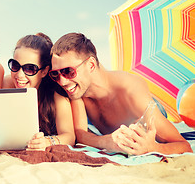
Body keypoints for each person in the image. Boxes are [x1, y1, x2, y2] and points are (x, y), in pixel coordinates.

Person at [49, 32, 192, 155]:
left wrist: (152, 147)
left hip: (145, 110)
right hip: (118, 123)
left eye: (68, 71)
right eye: (55, 74)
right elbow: (80, 134)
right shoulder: (77, 91)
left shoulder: (130, 91)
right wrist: (106, 141)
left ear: (91, 65)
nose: (62, 82)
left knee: (141, 128)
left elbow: (184, 146)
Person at [0, 33, 75, 151]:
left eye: (29, 69)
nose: (19, 75)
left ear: (44, 71)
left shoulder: (55, 93)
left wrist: (47, 141)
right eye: (15, 65)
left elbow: (69, 137)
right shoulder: (7, 84)